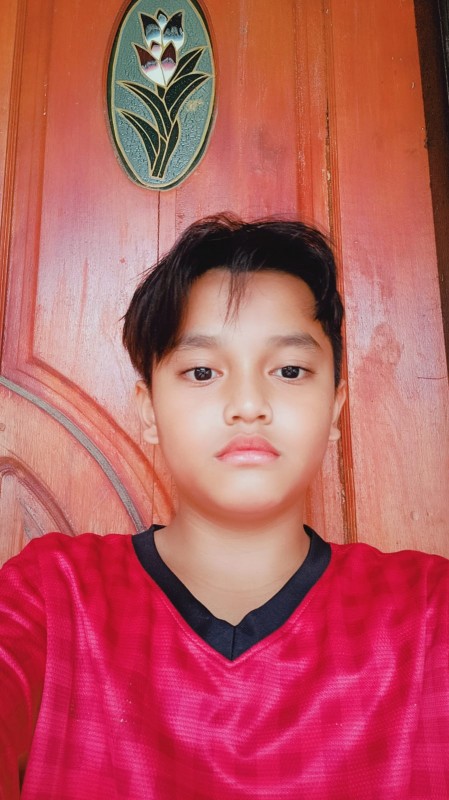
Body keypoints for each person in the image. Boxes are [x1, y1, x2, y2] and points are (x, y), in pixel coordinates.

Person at [1, 215, 448, 799]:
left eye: (289, 370)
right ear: (149, 410)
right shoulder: (51, 594)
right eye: (202, 371)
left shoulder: (429, 612)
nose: (247, 403)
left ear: (335, 408)